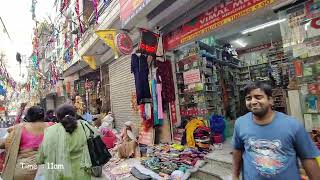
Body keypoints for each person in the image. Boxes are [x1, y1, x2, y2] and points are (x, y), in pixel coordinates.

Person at [232, 81, 320, 180]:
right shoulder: (240, 123)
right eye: (249, 98)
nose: (253, 101)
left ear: (270, 100)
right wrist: (235, 176)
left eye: (258, 97)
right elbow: (237, 150)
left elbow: (307, 158)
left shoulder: (292, 125)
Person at [37, 104, 96, 180]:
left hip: (59, 174)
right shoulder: (84, 126)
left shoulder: (50, 131)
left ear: (58, 117)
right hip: (82, 173)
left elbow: (42, 155)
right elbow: (98, 137)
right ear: (74, 115)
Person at [0, 106, 53, 180]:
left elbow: (5, 143)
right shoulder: (52, 126)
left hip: (23, 171)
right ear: (43, 116)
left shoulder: (19, 129)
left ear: (28, 116)